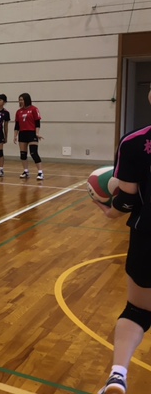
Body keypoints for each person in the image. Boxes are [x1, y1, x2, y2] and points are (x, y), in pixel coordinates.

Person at [94, 87, 151, 394]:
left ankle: (117, 376)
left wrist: (110, 212)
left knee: (138, 311)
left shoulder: (135, 142)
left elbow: (127, 198)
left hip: (147, 235)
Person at [13, 93, 44, 180]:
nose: (20, 101)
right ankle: (26, 171)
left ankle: (40, 172)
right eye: (19, 100)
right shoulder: (18, 112)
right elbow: (17, 125)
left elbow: (37, 123)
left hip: (31, 133)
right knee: (23, 154)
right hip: (22, 133)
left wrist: (37, 133)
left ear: (26, 100)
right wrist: (15, 136)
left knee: (33, 153)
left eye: (21, 100)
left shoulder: (34, 109)